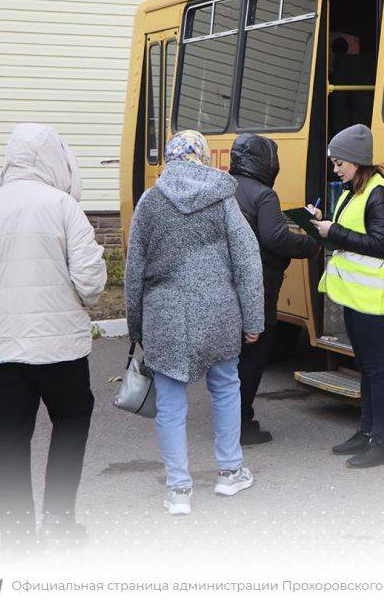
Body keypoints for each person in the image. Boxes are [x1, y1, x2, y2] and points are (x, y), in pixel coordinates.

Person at [0, 123, 107, 551]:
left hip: (4, 350)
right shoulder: (63, 206)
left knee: (11, 436)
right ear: (53, 158)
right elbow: (90, 281)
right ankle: (58, 521)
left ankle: (16, 537)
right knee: (71, 421)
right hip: (61, 349)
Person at [124, 131, 264, 515]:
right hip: (218, 310)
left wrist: (136, 327)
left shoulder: (150, 202)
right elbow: (247, 259)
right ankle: (230, 471)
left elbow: (134, 270)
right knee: (225, 387)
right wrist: (253, 319)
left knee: (170, 402)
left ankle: (179, 491)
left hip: (165, 314)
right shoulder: (221, 198)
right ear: (201, 156)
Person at [309, 124, 384, 469]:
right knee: (366, 368)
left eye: (339, 163)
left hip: (373, 302)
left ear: (356, 161)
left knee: (377, 371)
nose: (336, 169)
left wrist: (335, 231)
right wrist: (321, 223)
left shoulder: (380, 194)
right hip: (356, 297)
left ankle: (382, 444)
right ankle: (365, 433)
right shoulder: (354, 191)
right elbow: (354, 235)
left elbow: (381, 245)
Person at [230, 134, 319, 445]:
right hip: (257, 287)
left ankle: (228, 419)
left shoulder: (226, 187)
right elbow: (275, 238)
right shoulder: (264, 195)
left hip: (225, 287)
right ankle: (241, 424)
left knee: (232, 360)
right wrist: (312, 243)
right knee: (253, 358)